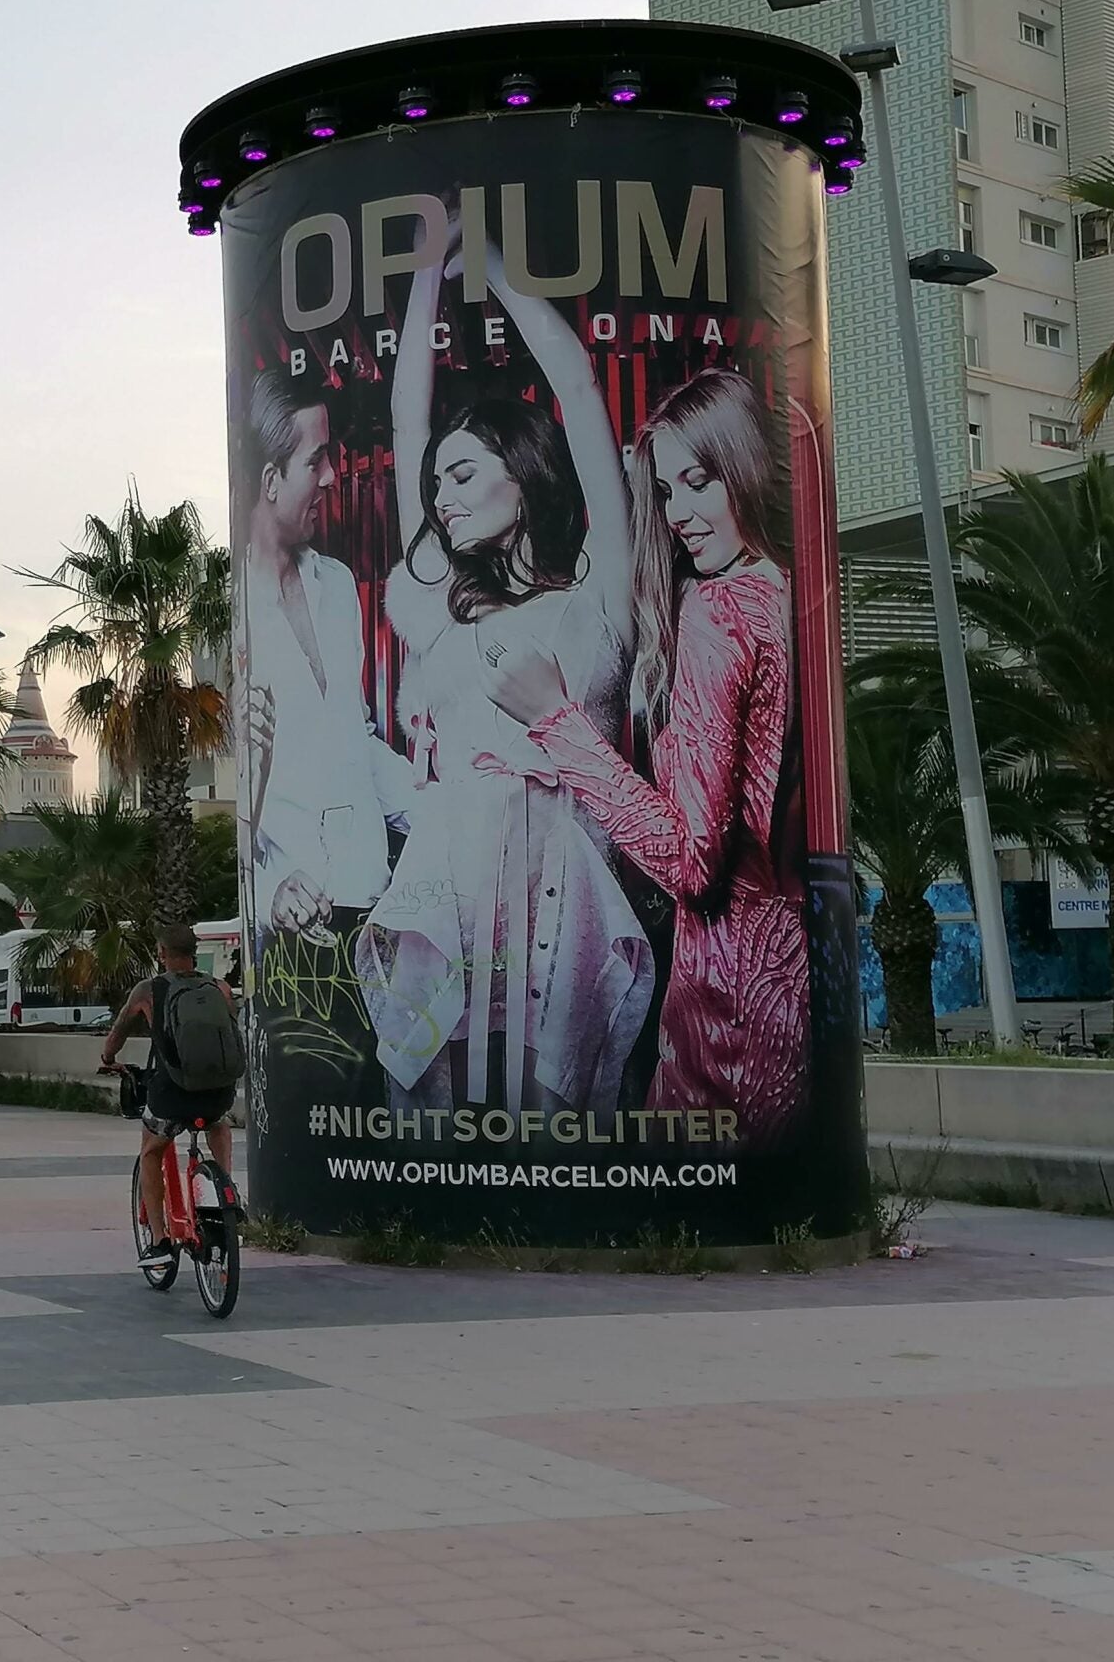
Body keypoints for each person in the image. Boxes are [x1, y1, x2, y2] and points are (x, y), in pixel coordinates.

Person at [359, 225, 653, 1117]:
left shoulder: (596, 600)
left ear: (522, 477)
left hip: (567, 888)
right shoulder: (437, 610)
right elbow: (409, 425)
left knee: (554, 1102)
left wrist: (496, 273)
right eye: (435, 484)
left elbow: (578, 390)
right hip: (453, 889)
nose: (440, 497)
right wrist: (418, 285)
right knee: (437, 1094)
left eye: (460, 475)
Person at [494, 367, 808, 1144]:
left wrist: (555, 721)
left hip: (725, 1017)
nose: (678, 515)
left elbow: (689, 861)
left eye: (699, 482)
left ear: (744, 465)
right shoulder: (788, 594)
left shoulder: (719, 614)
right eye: (666, 492)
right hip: (790, 991)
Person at [236, 366, 423, 1119]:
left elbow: (357, 739)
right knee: (315, 1125)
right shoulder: (228, 610)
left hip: (370, 916)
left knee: (380, 1119)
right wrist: (267, 891)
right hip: (293, 936)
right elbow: (220, 795)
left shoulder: (338, 585)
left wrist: (448, 809)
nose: (333, 475)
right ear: (271, 477)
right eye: (317, 460)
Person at [99, 927, 242, 1261]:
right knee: (217, 1123)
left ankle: (160, 1241)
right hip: (217, 1091)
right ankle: (226, 1191)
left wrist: (108, 1059)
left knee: (151, 1149)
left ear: (162, 952)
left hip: (173, 1093)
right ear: (194, 952)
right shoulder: (219, 988)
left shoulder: (148, 990)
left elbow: (119, 1030)